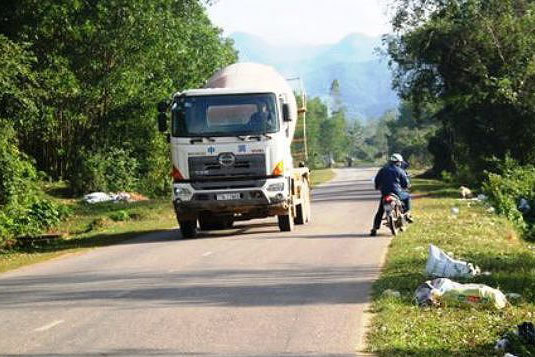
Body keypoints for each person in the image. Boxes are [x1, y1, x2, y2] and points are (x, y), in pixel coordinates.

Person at [370, 153, 413, 236]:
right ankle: (407, 214)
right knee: (407, 197)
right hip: (397, 193)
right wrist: (406, 186)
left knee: (380, 211)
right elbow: (405, 184)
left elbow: (377, 180)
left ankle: (374, 228)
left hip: (385, 193)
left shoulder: (382, 169)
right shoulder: (400, 170)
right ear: (398, 162)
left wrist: (377, 187)